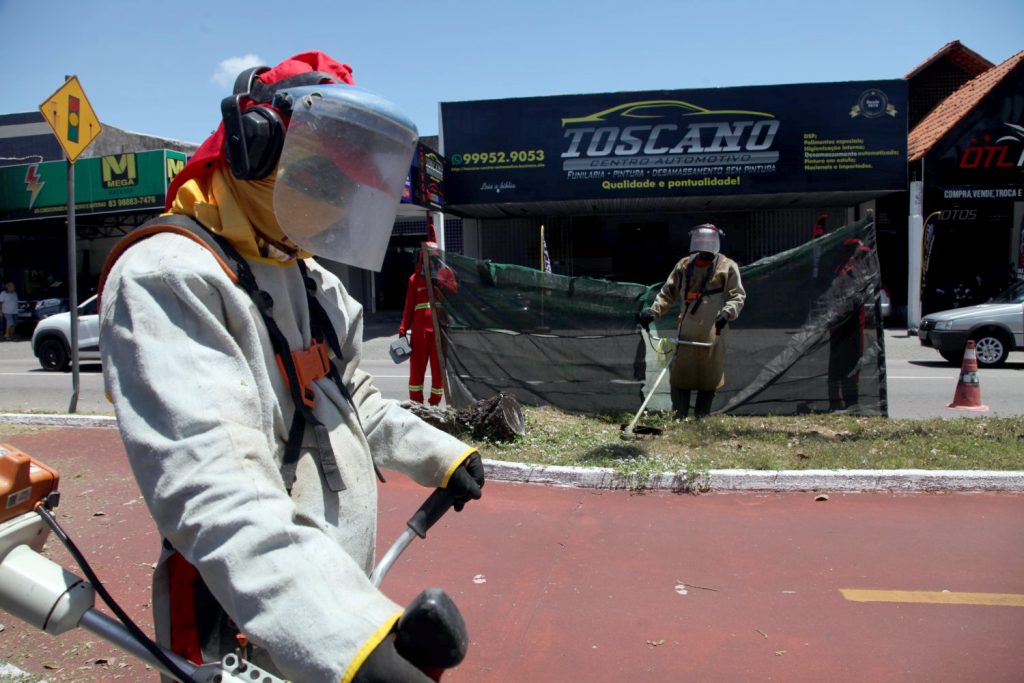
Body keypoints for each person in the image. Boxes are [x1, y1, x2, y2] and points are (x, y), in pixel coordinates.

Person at [98, 52, 484, 683]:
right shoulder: (170, 276)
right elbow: (215, 487)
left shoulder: (306, 276)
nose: (336, 199)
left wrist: (439, 455)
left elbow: (351, 394)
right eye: (321, 175)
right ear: (256, 145)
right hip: (248, 624)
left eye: (348, 183)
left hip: (328, 601)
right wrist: (355, 640)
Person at [638, 224, 746, 419]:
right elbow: (667, 292)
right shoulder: (684, 265)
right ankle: (680, 415)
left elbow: (737, 295)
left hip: (713, 328)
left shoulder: (727, 266)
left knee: (709, 374)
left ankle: (701, 416)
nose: (704, 246)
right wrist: (653, 312)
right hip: (687, 328)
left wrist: (727, 314)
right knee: (681, 374)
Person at [398, 224, 457, 405]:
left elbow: (455, 294)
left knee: (439, 369)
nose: (429, 261)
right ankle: (416, 403)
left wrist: (440, 280)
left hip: (441, 329)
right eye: (426, 256)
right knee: (417, 368)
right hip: (419, 331)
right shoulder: (414, 279)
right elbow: (409, 306)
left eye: (433, 257)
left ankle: (434, 402)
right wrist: (403, 328)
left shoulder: (446, 274)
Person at [827, 237, 872, 412]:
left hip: (842, 324)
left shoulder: (842, 270)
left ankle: (837, 400)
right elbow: (847, 298)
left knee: (839, 363)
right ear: (850, 254)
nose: (862, 257)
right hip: (849, 325)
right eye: (859, 253)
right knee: (850, 364)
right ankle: (850, 402)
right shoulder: (849, 271)